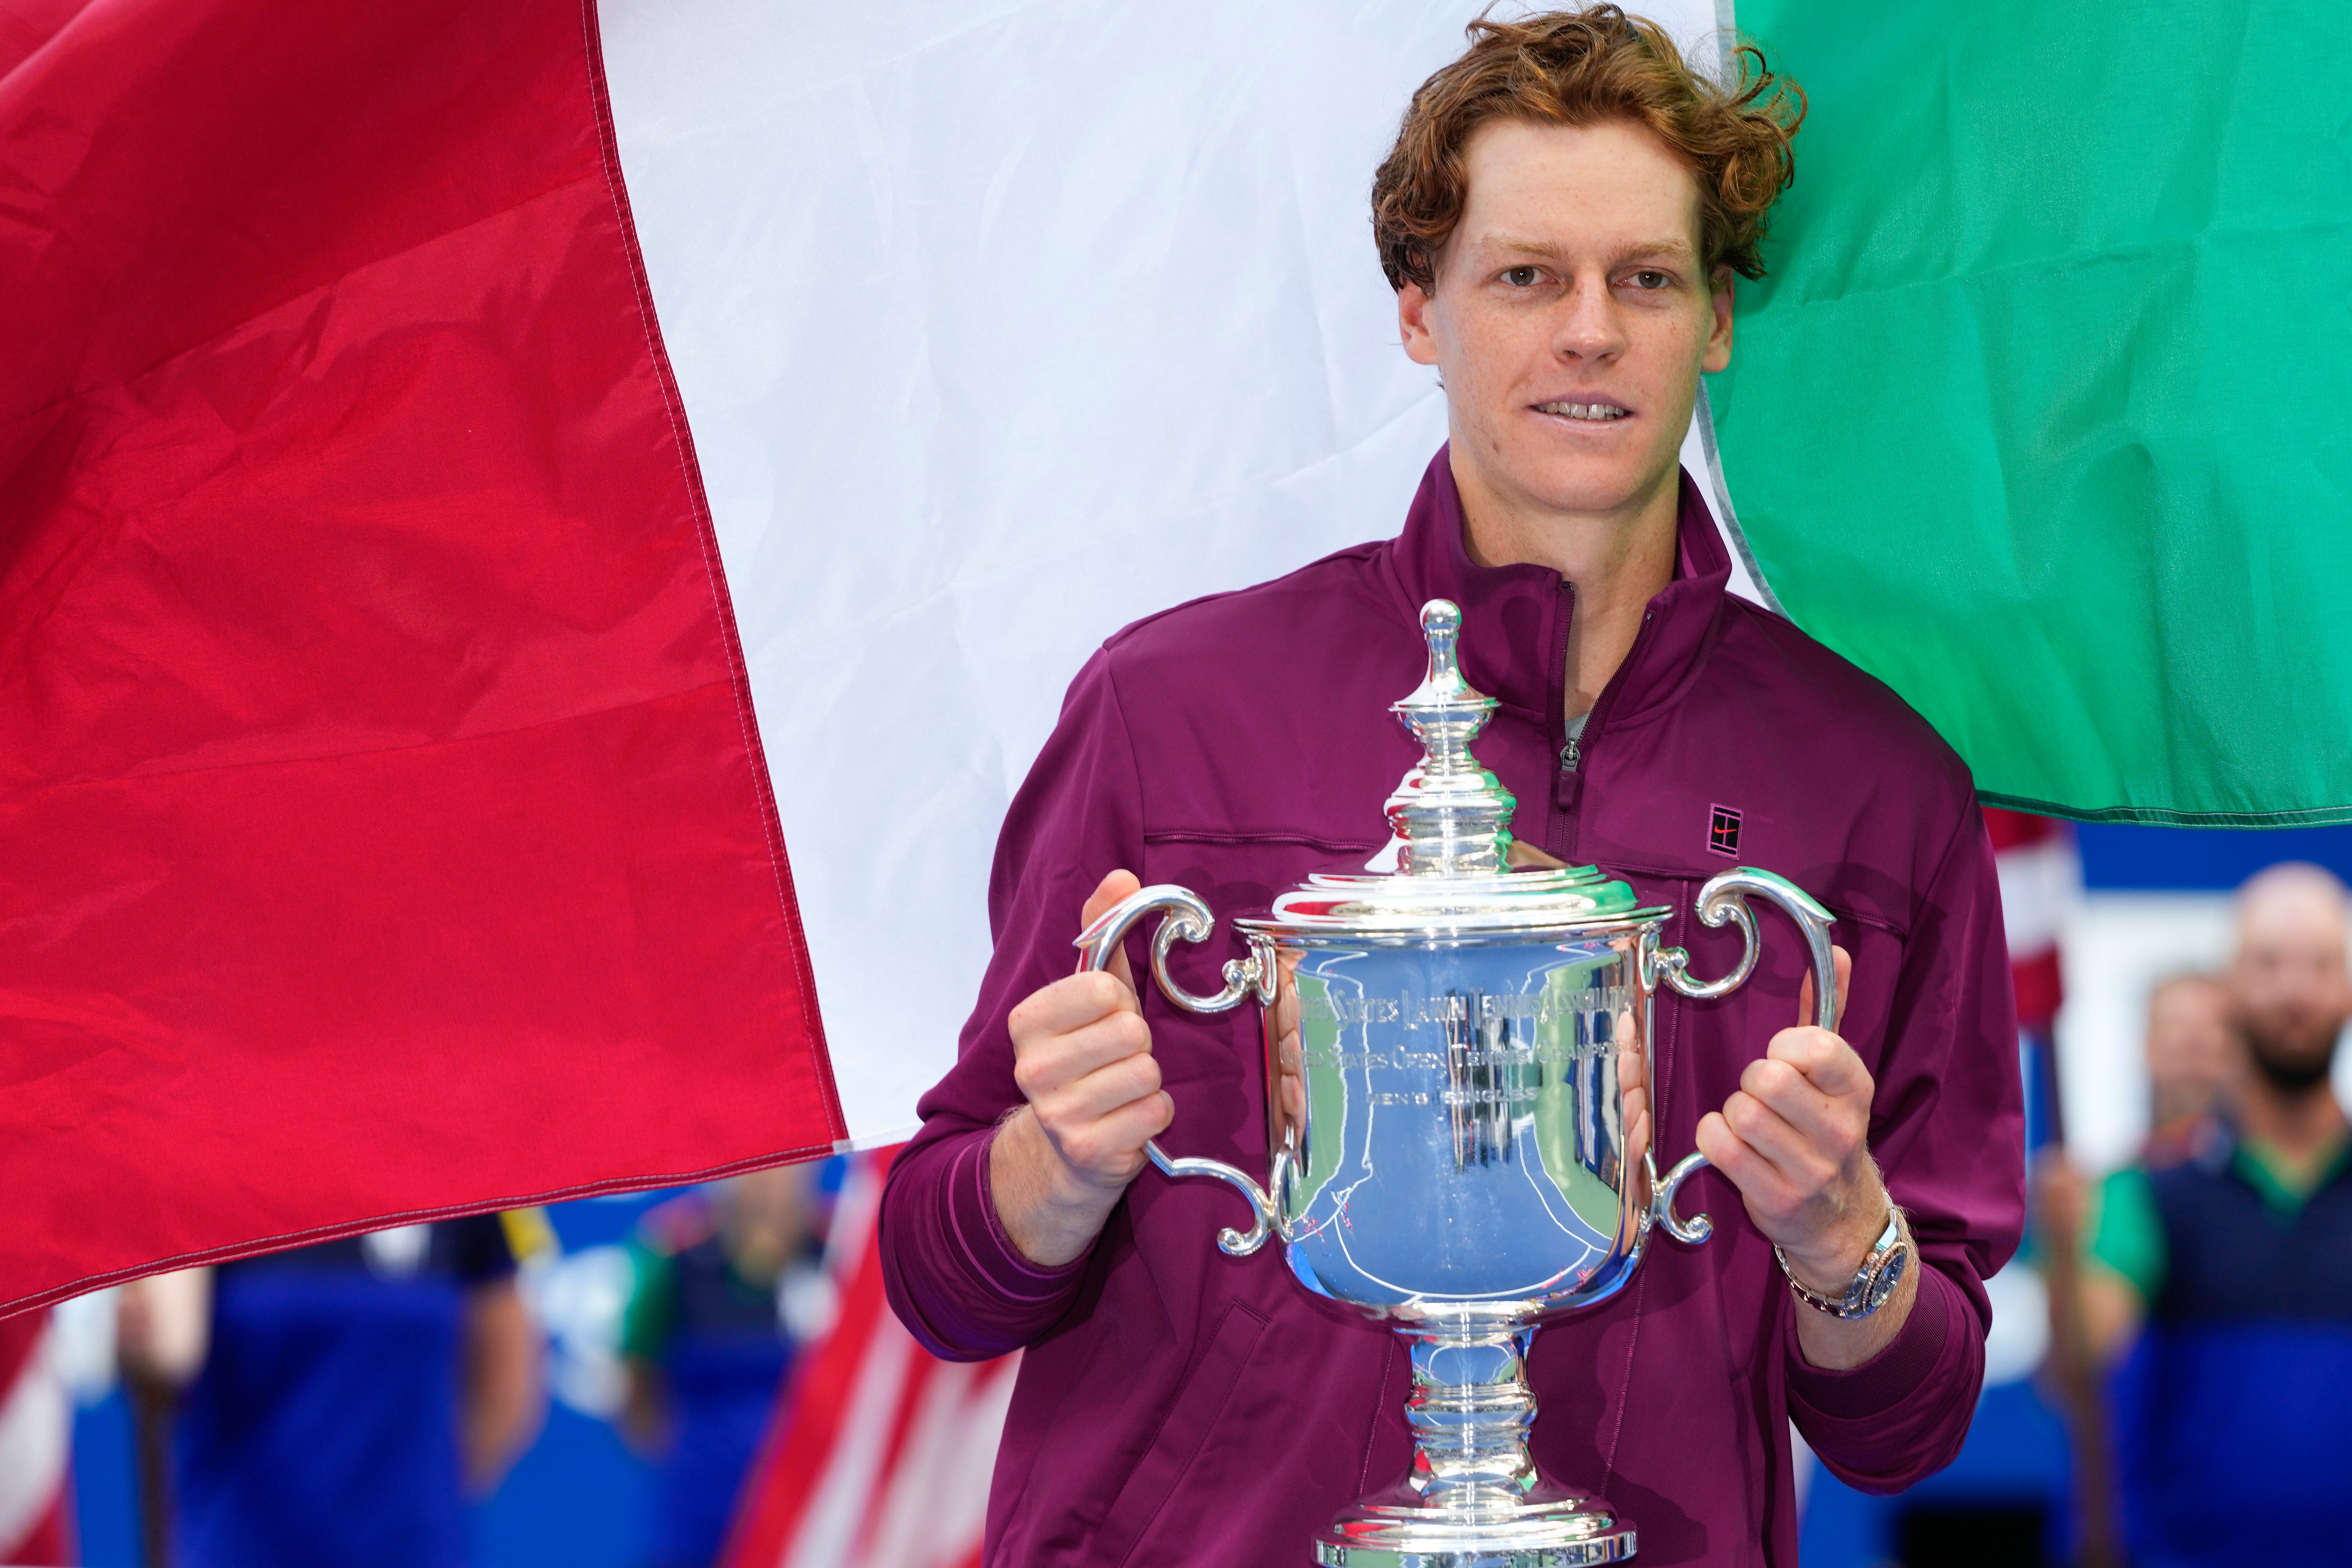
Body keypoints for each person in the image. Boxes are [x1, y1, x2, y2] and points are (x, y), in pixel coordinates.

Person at [879, 11, 2024, 1564]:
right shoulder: (1168, 713)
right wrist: (1048, 1165)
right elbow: (942, 1277)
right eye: (1522, 276)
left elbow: (1904, 1419)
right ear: (1418, 311)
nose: (1587, 331)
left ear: (1716, 321)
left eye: (1643, 276)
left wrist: (1842, 1242)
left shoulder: (1871, 790)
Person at [2075, 864, 2352, 1565]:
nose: (2294, 991)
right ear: (2227, 988)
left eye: (2321, 965)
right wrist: (2061, 1256)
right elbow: (2076, 1366)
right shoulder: (2149, 1189)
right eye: (2267, 964)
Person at [117, 1214, 546, 1568]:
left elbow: (507, 1391)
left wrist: (415, 1504)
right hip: (241, 1547)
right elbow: (168, 1350)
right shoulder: (208, 1157)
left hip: (411, 1552)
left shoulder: (458, 1162)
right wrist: (146, 1334)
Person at [617, 1166, 825, 1568]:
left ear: (812, 1165)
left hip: (812, 1512)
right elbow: (637, 1382)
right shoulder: (669, 1249)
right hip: (695, 1517)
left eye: (785, 1157)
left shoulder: (842, 1246)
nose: (768, 1176)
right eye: (757, 1157)